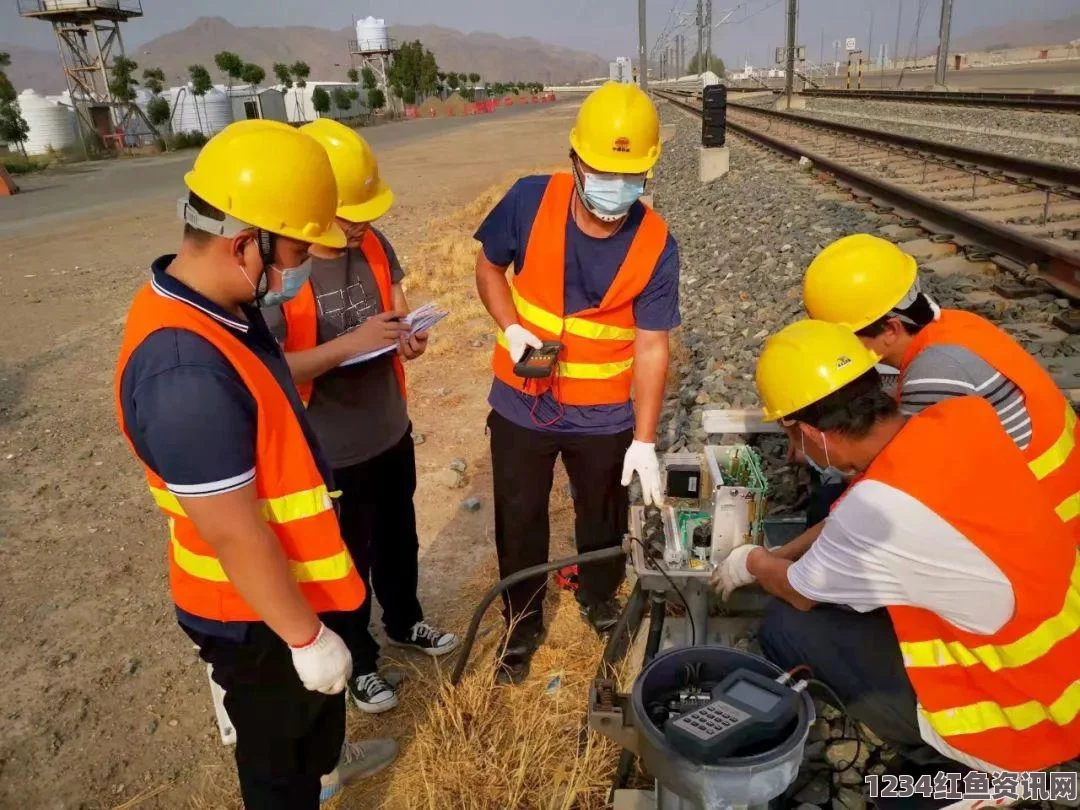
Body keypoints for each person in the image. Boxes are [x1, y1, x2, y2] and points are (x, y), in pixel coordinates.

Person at [114, 121, 397, 810]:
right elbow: (235, 531)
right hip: (255, 617)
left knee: (308, 735)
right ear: (246, 244)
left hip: (288, 592)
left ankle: (324, 770)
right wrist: (305, 638)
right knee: (278, 766)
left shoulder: (223, 308)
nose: (301, 264)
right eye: (297, 247)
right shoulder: (183, 368)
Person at [714, 319, 1080, 787]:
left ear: (812, 431)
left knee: (790, 627)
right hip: (1062, 669)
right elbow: (860, 510)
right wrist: (785, 547)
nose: (794, 454)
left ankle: (955, 773)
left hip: (1023, 721)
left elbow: (800, 590)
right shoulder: (961, 418)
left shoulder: (875, 511)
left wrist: (750, 561)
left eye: (793, 439)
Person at [474, 81, 681, 683]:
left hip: (604, 415)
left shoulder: (656, 244)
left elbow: (651, 345)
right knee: (519, 515)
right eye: (602, 171)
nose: (616, 187)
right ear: (575, 161)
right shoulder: (528, 200)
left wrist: (643, 439)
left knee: (602, 512)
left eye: (632, 174)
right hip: (521, 401)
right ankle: (523, 622)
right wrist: (510, 328)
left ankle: (597, 595)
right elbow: (489, 266)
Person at [262, 118, 458, 714]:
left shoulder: (373, 242)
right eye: (348, 216)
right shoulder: (280, 271)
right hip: (329, 450)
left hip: (388, 430)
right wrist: (351, 344)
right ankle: (360, 661)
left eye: (366, 215)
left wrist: (406, 337)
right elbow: (273, 369)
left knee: (400, 538)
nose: (360, 227)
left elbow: (393, 307)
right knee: (346, 558)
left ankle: (406, 620)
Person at [804, 233, 1078, 535]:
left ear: (891, 329)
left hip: (1045, 527)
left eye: (847, 339)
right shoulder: (957, 325)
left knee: (839, 509)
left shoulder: (935, 372)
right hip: (1055, 498)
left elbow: (904, 493)